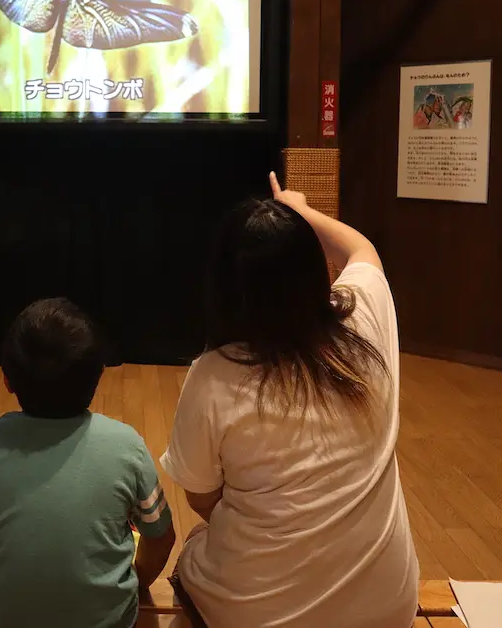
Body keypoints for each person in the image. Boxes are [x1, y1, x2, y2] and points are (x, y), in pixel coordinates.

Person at [160, 173, 418, 628]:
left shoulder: (214, 375)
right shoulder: (364, 322)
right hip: (388, 609)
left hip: (257, 616)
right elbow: (362, 250)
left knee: (194, 550)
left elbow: (203, 499)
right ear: (314, 267)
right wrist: (302, 211)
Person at [0, 297, 176, 628]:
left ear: (7, 379)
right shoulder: (127, 446)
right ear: (97, 376)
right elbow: (161, 536)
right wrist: (136, 581)